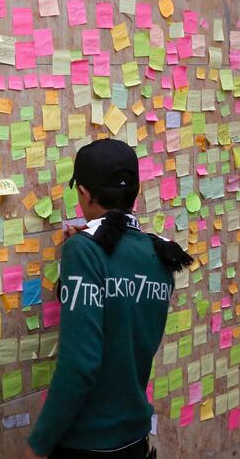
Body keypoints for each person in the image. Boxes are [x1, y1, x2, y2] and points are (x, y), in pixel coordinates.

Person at [23, 139, 193, 459]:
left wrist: (38, 446)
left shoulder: (83, 251)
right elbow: (120, 310)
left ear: (85, 193)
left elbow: (80, 364)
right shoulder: (159, 252)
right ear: (135, 193)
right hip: (135, 440)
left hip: (87, 443)